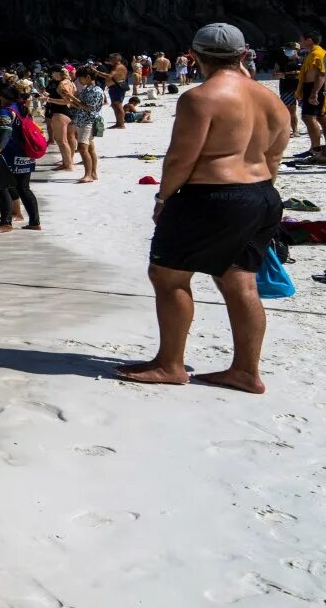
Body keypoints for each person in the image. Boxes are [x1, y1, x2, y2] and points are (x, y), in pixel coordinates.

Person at [120, 23, 288, 393]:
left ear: (194, 56)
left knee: (169, 276)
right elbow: (275, 154)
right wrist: (254, 199)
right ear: (244, 55)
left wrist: (163, 198)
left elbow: (181, 157)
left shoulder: (200, 98)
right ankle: (246, 371)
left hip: (212, 196)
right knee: (240, 280)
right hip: (261, 195)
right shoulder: (271, 99)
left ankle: (170, 365)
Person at [0, 79, 39, 232]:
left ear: (1, 95)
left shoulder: (4, 110)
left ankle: (6, 223)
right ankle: (35, 223)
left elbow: (6, 133)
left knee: (1, 187)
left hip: (10, 155)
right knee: (24, 189)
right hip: (26, 153)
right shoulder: (20, 108)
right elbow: (11, 130)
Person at [71, 65, 107, 184]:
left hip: (88, 121)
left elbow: (89, 108)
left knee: (82, 148)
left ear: (87, 77)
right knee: (90, 148)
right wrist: (71, 99)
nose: (79, 81)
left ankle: (88, 175)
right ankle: (93, 173)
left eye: (80, 78)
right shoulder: (87, 88)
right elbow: (81, 105)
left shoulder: (96, 90)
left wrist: (73, 98)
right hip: (82, 120)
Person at [44, 68, 77, 171]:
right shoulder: (70, 82)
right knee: (70, 138)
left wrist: (48, 99)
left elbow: (65, 101)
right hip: (71, 112)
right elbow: (73, 96)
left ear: (58, 73)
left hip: (60, 112)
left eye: (53, 72)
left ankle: (68, 165)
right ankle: (68, 162)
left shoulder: (62, 84)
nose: (51, 74)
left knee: (62, 141)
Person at [299, 33, 325, 159]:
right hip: (312, 88)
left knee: (308, 117)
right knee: (321, 117)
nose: (299, 42)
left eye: (301, 39)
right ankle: (318, 148)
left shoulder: (317, 54)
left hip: (315, 88)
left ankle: (315, 148)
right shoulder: (312, 53)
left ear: (309, 40)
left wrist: (314, 93)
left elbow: (321, 74)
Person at [274, 43, 302, 135]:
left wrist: (288, 74)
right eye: (286, 49)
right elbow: (275, 74)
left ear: (297, 50)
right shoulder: (281, 61)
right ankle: (294, 130)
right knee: (290, 110)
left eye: (290, 49)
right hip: (286, 88)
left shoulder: (303, 60)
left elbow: (306, 74)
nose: (287, 51)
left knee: (310, 112)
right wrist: (292, 74)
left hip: (301, 88)